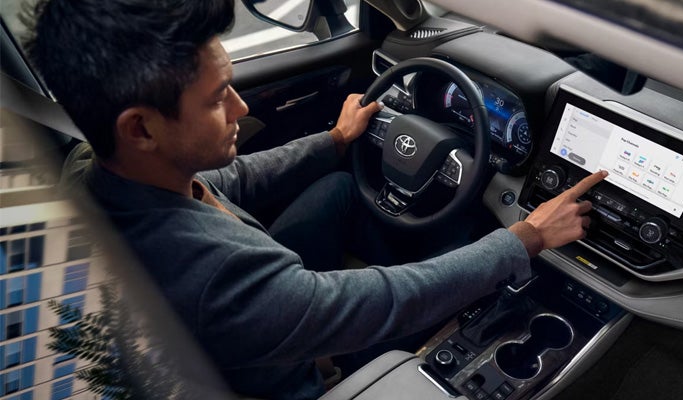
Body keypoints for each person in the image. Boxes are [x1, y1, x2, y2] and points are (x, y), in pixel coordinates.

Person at [25, 0, 607, 398]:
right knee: (460, 283)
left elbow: (235, 180)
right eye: (217, 98)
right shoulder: (206, 276)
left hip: (252, 340)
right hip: (292, 382)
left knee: (338, 188)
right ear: (141, 129)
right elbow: (383, 300)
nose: (240, 108)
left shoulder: (95, 170)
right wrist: (523, 239)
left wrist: (334, 140)